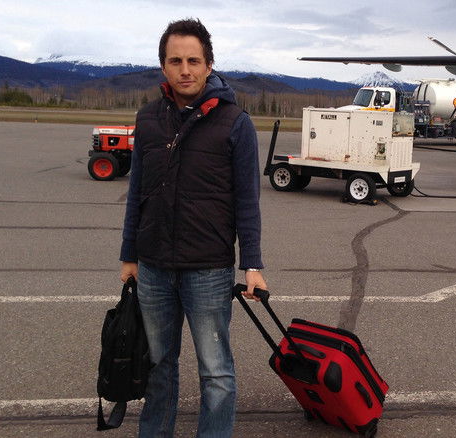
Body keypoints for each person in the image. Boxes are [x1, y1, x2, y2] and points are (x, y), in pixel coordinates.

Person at [119, 18, 266, 438]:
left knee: (216, 372)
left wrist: (252, 264)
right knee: (157, 367)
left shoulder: (235, 122)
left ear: (209, 65)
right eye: (175, 61)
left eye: (193, 61)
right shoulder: (148, 119)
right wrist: (129, 255)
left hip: (208, 270)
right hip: (153, 268)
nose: (185, 70)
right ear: (163, 66)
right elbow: (137, 192)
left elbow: (247, 202)